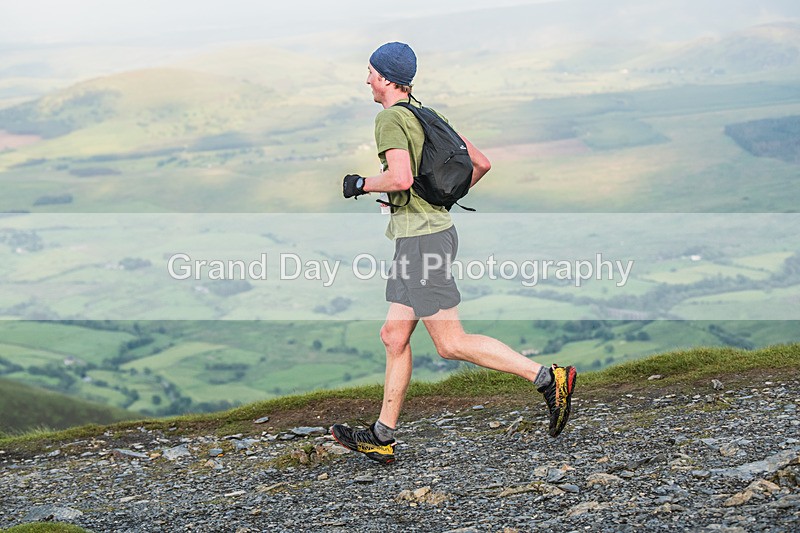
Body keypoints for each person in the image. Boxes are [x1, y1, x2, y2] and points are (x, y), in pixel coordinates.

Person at [331, 42, 577, 464]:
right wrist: (435, 201)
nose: (366, 79)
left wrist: (360, 183)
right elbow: (479, 163)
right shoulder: (427, 114)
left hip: (422, 243)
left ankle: (547, 377)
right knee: (393, 336)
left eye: (371, 72)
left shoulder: (390, 118)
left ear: (388, 79)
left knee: (450, 342)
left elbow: (401, 177)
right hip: (423, 235)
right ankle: (382, 435)